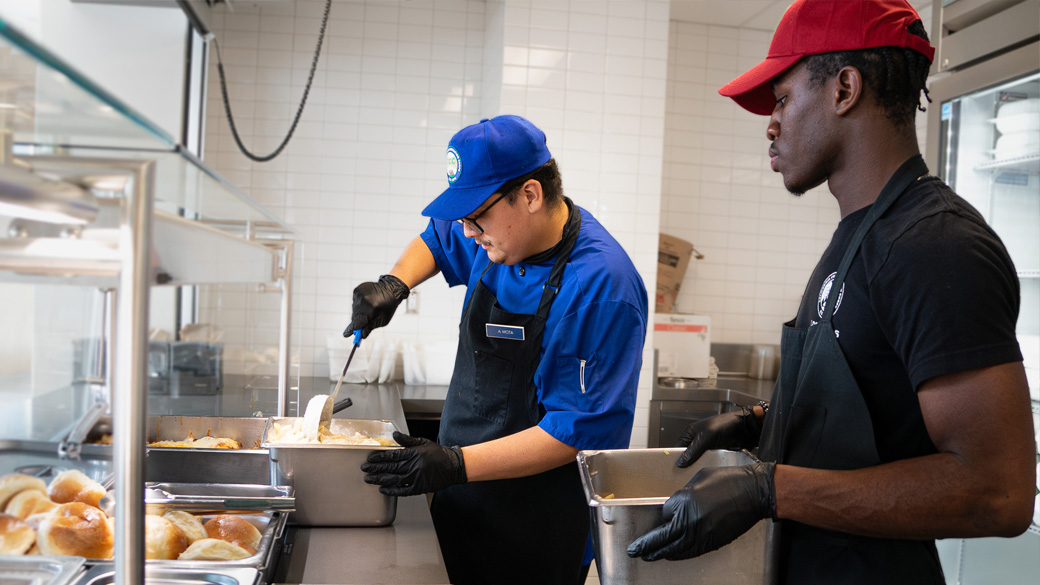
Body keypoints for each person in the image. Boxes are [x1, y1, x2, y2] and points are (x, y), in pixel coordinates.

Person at [627, 1, 1036, 583]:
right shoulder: (860, 235)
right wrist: (763, 423)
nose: (770, 124)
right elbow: (880, 400)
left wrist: (770, 487)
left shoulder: (934, 245)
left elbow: (999, 492)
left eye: (783, 100)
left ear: (845, 88)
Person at [349, 114, 649, 585]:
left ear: (529, 195)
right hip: (462, 498)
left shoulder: (600, 286)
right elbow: (437, 238)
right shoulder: (498, 234)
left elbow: (577, 432)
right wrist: (395, 283)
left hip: (537, 525)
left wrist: (455, 462)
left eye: (476, 217)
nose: (468, 232)